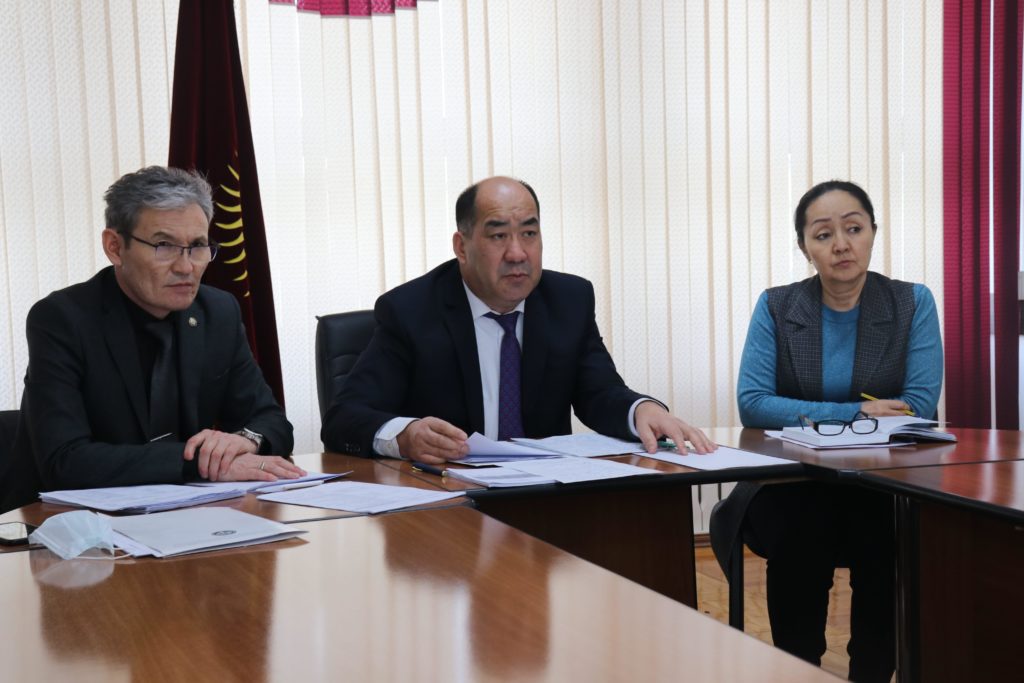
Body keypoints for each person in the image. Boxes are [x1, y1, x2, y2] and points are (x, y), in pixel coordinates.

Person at [321, 176, 713, 463]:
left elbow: (598, 393)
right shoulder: (411, 310)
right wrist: (404, 436)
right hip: (450, 501)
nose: (517, 253)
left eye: (529, 233)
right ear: (462, 246)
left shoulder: (568, 301)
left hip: (545, 498)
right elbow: (344, 418)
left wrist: (642, 410)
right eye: (498, 236)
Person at [725, 180, 942, 682]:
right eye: (823, 234)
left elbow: (918, 403)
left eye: (854, 229)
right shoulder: (778, 307)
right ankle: (798, 668)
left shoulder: (911, 303)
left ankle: (872, 671)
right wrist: (854, 414)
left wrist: (813, 414)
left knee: (883, 532)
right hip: (797, 480)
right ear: (805, 247)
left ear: (873, 233)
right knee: (801, 526)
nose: (841, 244)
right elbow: (753, 403)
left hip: (882, 482)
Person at [1, 166, 302, 512]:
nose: (186, 267)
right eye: (164, 246)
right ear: (115, 247)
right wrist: (199, 462)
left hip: (186, 516)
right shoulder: (63, 319)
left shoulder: (217, 312)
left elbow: (272, 422)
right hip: (66, 524)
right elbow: (65, 461)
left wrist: (245, 440)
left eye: (197, 246)